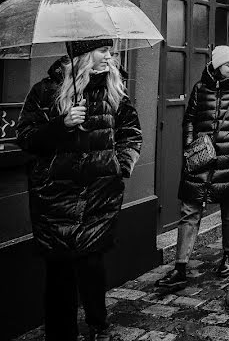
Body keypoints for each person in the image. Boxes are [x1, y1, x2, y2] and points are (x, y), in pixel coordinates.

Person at [17, 40, 142, 341]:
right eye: (102, 50)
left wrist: (119, 166)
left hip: (99, 195)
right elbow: (27, 138)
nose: (110, 56)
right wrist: (62, 124)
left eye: (110, 50)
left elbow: (131, 134)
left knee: (92, 265)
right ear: (84, 55)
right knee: (59, 274)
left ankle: (98, 324)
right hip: (55, 198)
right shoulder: (45, 91)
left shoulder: (115, 91)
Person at [156, 45, 229, 290]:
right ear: (216, 66)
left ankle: (228, 256)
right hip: (200, 162)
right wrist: (190, 148)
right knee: (190, 212)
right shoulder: (200, 89)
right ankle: (180, 267)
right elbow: (190, 120)